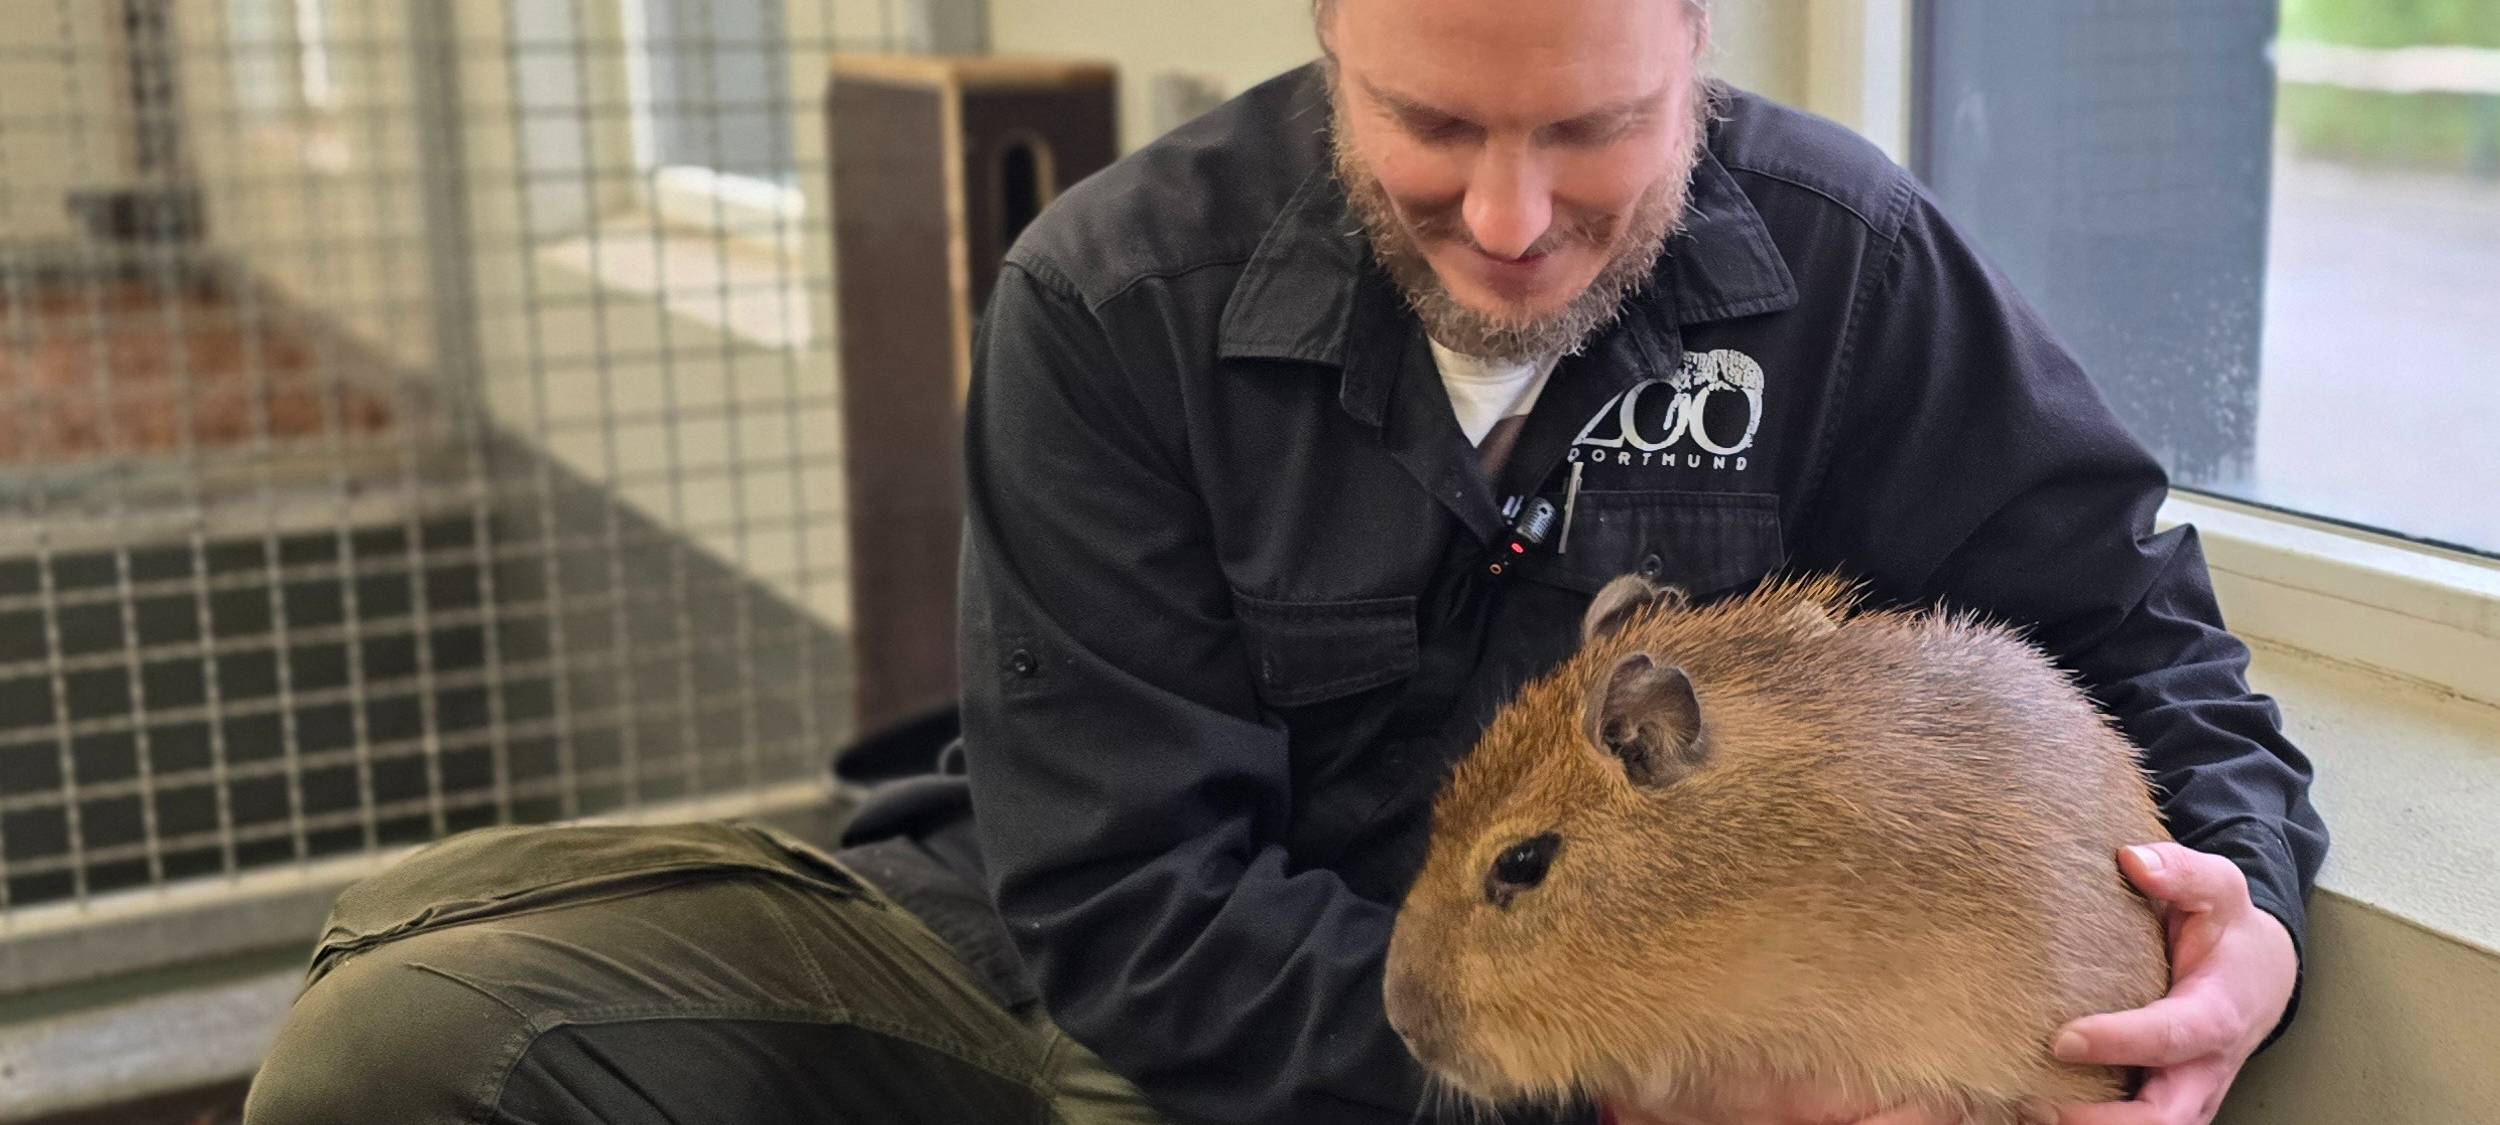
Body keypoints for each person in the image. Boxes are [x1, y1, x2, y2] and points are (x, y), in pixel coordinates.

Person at [242, 1, 2328, 1123]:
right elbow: (1120, 898)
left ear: (1693, 45)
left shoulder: (1852, 258)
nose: (1509, 215)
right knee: (411, 1028)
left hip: (1566, 1029)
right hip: (1170, 1008)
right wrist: (1605, 1102)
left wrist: (2239, 946)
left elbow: (2144, 657)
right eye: (1431, 121)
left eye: (1592, 128)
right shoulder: (1107, 289)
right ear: (1328, 32)